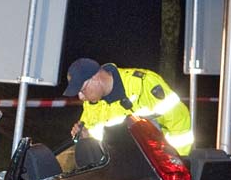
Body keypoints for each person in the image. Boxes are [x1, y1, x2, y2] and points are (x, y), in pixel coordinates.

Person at [63, 58, 194, 155]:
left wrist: (177, 162)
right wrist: (86, 139)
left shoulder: (144, 84)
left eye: (82, 90)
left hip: (159, 168)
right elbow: (99, 146)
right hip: (123, 175)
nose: (81, 97)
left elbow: (179, 123)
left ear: (95, 78)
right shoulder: (92, 104)